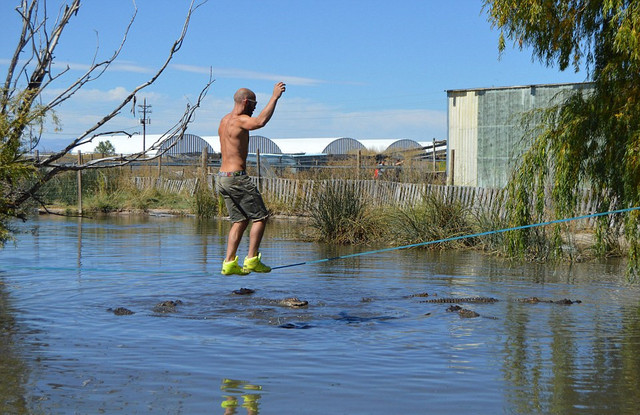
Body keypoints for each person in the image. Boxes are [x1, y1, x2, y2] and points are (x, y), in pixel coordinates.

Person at [216, 82, 286, 275]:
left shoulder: (224, 121)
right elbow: (260, 122)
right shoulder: (240, 121)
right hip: (237, 178)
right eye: (254, 103)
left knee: (240, 221)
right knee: (261, 217)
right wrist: (274, 97)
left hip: (222, 178)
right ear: (246, 101)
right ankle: (252, 260)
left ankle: (229, 264)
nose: (255, 107)